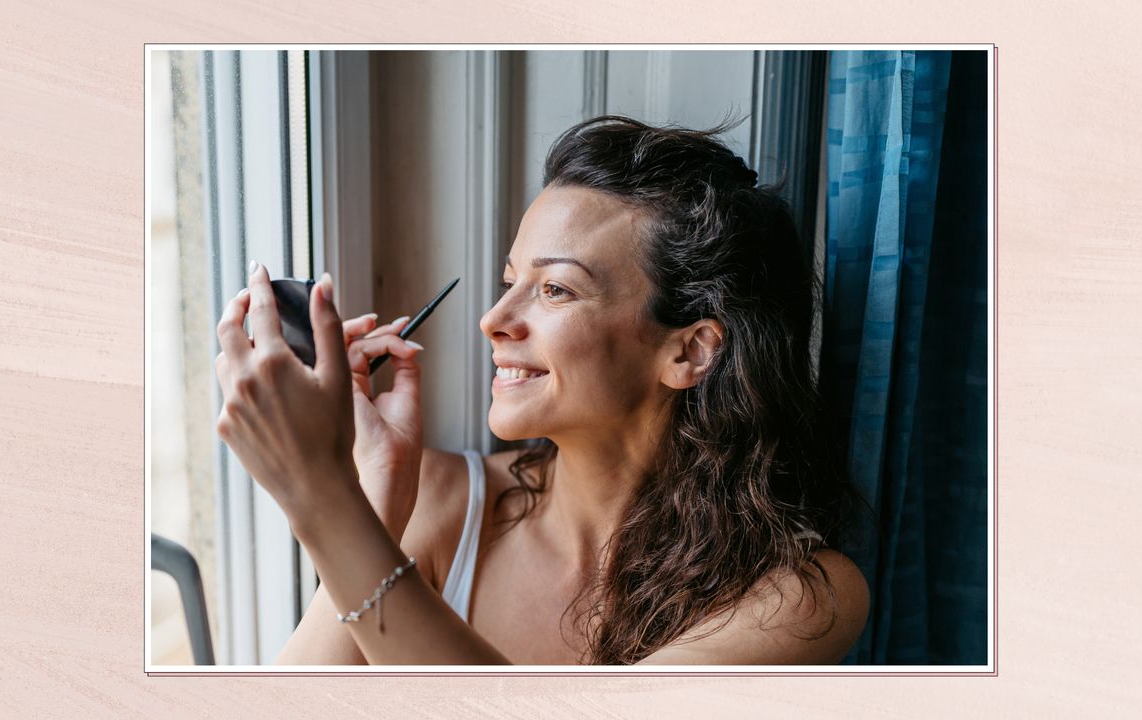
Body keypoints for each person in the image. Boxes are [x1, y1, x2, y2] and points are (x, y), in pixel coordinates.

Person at [214, 115, 869, 665]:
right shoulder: (441, 502)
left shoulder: (804, 597)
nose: (494, 320)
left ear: (688, 351)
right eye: (510, 280)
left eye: (554, 288)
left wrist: (320, 496)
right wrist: (373, 498)